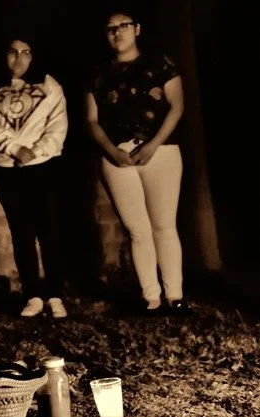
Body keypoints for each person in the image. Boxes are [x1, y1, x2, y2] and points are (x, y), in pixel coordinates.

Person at [84, 7, 191, 314]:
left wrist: (152, 146)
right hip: (118, 157)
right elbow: (91, 121)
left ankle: (175, 296)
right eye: (111, 28)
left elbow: (177, 106)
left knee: (164, 225)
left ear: (137, 29)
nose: (117, 32)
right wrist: (112, 151)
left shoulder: (161, 63)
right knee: (138, 230)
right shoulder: (98, 73)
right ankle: (151, 299)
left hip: (161, 152)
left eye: (124, 25)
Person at [0, 31, 69, 318]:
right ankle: (33, 296)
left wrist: (35, 152)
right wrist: (16, 150)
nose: (19, 58)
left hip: (44, 167)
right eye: (13, 51)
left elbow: (58, 127)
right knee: (22, 234)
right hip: (8, 170)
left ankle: (55, 295)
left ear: (34, 56)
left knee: (50, 231)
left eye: (26, 52)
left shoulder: (49, 85)